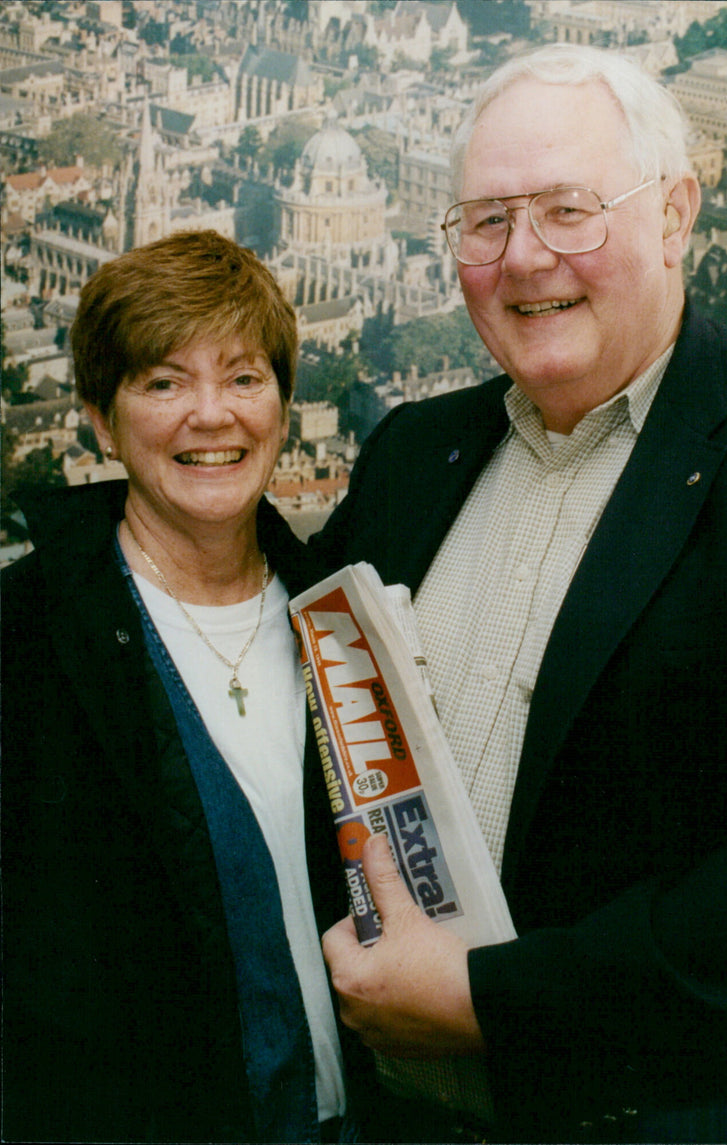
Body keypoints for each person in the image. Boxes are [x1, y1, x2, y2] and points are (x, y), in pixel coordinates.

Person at [312, 45, 727, 1145]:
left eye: (567, 210)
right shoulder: (409, 456)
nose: (522, 259)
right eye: (483, 221)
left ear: (673, 215)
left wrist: (488, 1001)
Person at [1, 231, 359, 1144]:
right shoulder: (25, 638)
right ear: (99, 417)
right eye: (163, 382)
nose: (212, 415)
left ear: (283, 404)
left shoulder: (345, 612)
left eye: (244, 377)